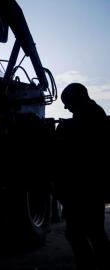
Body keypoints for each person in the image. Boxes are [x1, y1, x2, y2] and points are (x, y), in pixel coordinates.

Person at [56, 82, 110, 270]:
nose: (66, 107)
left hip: (86, 187)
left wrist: (65, 131)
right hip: (91, 186)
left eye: (67, 102)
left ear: (76, 99)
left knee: (80, 233)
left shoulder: (90, 114)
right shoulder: (93, 112)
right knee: (94, 231)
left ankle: (89, 264)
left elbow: (82, 148)